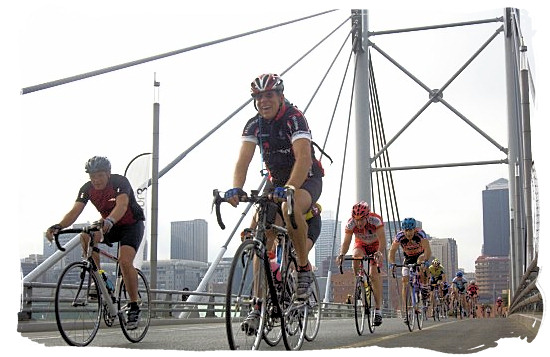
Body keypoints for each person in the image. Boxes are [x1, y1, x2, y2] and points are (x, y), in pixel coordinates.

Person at [225, 73, 324, 332]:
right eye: (258, 97)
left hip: (306, 179)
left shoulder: (294, 118)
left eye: (269, 95)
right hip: (276, 181)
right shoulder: (253, 125)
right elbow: (243, 161)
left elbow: (303, 157)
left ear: (280, 96)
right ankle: (258, 304)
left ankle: (302, 268)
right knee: (260, 232)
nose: (263, 101)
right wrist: (237, 187)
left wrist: (291, 187)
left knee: (289, 206)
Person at [45, 156, 145, 330]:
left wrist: (110, 221)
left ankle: (134, 305)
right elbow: (75, 211)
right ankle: (99, 277)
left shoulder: (119, 182)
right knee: (85, 235)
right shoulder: (87, 189)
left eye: (99, 175)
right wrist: (59, 226)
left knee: (124, 261)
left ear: (107, 174)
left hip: (130, 224)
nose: (96, 180)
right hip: (108, 223)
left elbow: (121, 205)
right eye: (92, 176)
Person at [336, 201, 386, 326]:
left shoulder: (376, 220)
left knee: (374, 275)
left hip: (375, 246)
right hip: (361, 244)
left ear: (367, 217)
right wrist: (341, 254)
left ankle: (378, 310)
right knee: (356, 257)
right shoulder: (350, 223)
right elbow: (346, 242)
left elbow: (383, 240)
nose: (358, 223)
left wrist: (379, 252)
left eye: (361, 220)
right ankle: (360, 281)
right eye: (356, 220)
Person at [388, 217, 432, 323]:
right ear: (403, 230)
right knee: (404, 282)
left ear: (414, 229)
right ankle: (407, 309)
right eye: (406, 230)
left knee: (420, 262)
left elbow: (428, 250)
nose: (408, 233)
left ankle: (423, 285)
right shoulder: (399, 236)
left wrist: (425, 260)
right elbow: (392, 252)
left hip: (420, 255)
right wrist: (392, 264)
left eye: (410, 230)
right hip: (407, 258)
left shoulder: (420, 234)